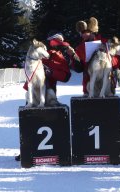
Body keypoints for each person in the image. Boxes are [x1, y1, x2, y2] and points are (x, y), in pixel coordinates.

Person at [16, 33, 76, 161]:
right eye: (54, 41)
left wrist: (51, 72)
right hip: (31, 92)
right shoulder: (38, 52)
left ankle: (52, 150)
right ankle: (26, 150)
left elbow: (65, 77)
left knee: (48, 122)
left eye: (59, 42)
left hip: (48, 92)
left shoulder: (59, 57)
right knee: (29, 122)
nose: (56, 44)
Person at [71, 17, 120, 96]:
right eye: (80, 32)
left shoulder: (104, 42)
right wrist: (73, 56)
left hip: (107, 88)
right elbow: (79, 68)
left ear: (91, 31)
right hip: (90, 87)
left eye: (84, 32)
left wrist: (107, 54)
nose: (81, 35)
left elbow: (116, 61)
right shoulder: (80, 47)